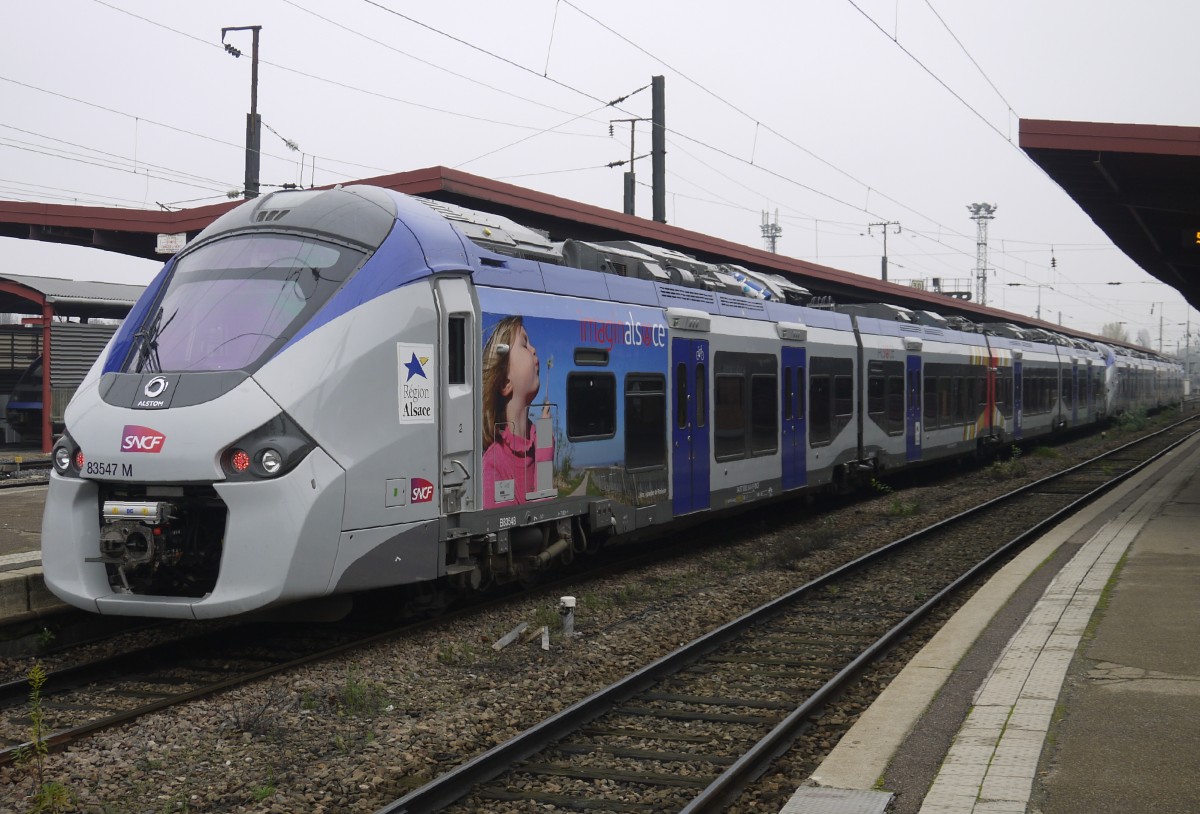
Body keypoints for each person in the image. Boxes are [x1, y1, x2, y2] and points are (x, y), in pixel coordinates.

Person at [481, 316, 554, 508]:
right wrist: (545, 444)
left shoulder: (538, 442)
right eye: (524, 344)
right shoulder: (492, 466)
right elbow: (542, 519)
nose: (534, 349)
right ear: (505, 383)